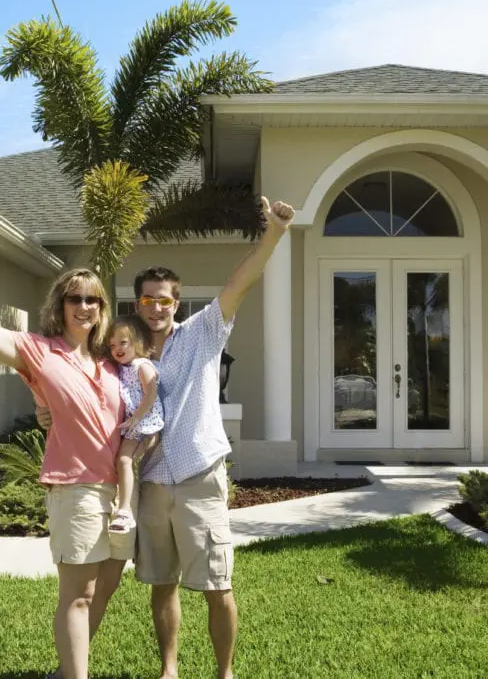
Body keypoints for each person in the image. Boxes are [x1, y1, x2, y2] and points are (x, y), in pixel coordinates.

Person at [38, 196, 295, 679]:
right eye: (148, 299)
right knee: (163, 583)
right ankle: (169, 670)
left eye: (166, 299)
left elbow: (241, 280)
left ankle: (224, 674)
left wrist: (274, 234)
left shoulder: (203, 331)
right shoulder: (118, 351)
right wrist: (46, 411)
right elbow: (78, 389)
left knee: (219, 585)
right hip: (151, 484)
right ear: (138, 304)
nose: (157, 307)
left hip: (199, 476)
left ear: (177, 303)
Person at [0, 231, 130, 679]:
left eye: (93, 299)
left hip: (123, 494)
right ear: (60, 305)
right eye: (74, 297)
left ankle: (65, 669)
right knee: (78, 593)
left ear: (102, 307)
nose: (84, 306)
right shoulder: (39, 351)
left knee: (105, 587)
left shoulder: (114, 360)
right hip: (75, 488)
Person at [106, 315, 163, 533]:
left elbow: (151, 394)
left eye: (123, 342)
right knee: (124, 461)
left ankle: (125, 509)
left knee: (127, 460)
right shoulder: (122, 367)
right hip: (135, 424)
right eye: (112, 345)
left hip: (146, 422)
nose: (117, 348)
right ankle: (125, 509)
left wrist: (137, 417)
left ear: (136, 342)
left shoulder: (142, 365)